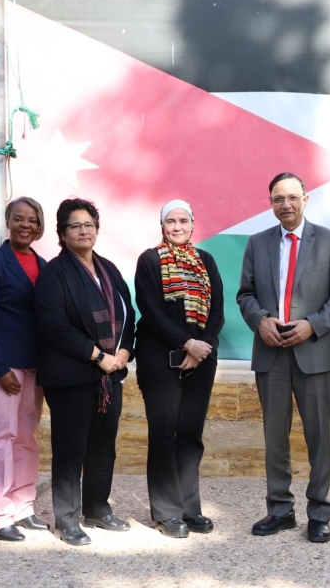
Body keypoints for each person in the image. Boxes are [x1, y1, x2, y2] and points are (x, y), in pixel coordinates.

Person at [236, 172, 330, 543]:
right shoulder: (257, 243)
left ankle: (319, 513)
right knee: (275, 438)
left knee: (319, 438)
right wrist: (260, 321)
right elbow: (245, 295)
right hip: (271, 354)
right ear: (270, 203)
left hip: (313, 354)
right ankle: (279, 510)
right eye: (277, 199)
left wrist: (312, 326)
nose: (285, 204)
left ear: (305, 199)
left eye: (291, 197)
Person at [34, 197, 135, 546]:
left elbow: (128, 313)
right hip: (71, 376)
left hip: (110, 375)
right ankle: (66, 519)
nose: (83, 231)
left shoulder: (109, 269)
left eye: (88, 224)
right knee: (70, 450)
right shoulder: (54, 274)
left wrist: (125, 350)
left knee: (103, 447)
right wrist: (97, 355)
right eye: (74, 225)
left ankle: (97, 508)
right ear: (62, 233)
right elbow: (54, 326)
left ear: (97, 229)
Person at [134, 200, 225, 538]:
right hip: (160, 358)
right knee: (164, 432)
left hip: (201, 359)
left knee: (190, 434)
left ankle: (189, 507)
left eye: (183, 220)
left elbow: (217, 309)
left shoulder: (206, 261)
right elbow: (150, 309)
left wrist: (202, 347)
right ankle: (167, 512)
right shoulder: (150, 260)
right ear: (162, 226)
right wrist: (187, 343)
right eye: (170, 221)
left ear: (192, 224)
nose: (177, 226)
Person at [0, 197, 48, 542]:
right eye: (18, 218)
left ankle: (22, 506)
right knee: (1, 439)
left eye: (32, 220)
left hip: (34, 366)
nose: (25, 225)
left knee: (26, 438)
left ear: (39, 226)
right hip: (3, 366)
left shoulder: (43, 265)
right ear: (8, 223)